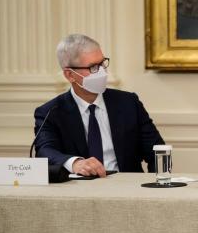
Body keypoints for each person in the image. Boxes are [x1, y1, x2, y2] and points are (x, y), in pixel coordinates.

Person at [33, 34, 164, 177]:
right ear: (70, 75)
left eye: (102, 64)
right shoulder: (50, 112)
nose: (102, 72)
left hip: (127, 187)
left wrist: (156, 184)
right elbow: (45, 151)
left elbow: (158, 150)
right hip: (78, 190)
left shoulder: (129, 103)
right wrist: (75, 163)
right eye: (93, 67)